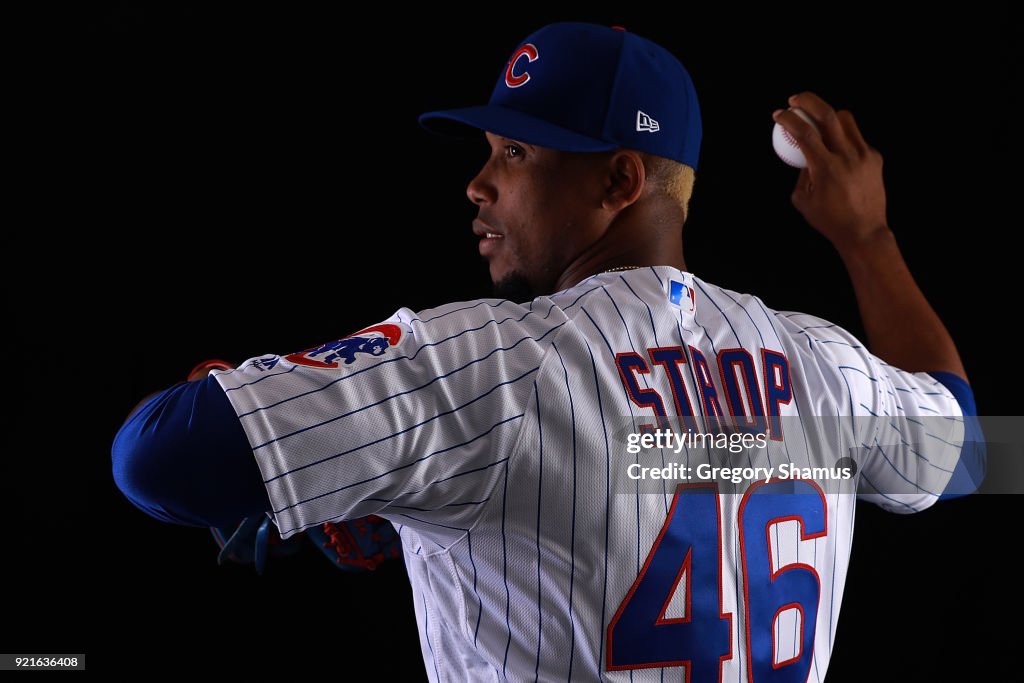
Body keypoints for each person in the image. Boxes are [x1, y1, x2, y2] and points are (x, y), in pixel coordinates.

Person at [111, 21, 983, 681]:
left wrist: (239, 397)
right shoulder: (817, 364)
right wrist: (867, 237)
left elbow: (160, 454)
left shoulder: (494, 364)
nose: (477, 182)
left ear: (618, 181)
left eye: (515, 152)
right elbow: (972, 451)